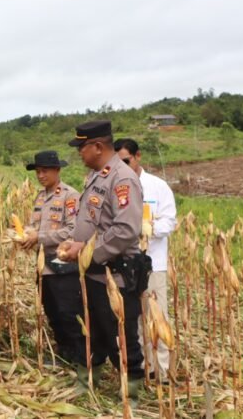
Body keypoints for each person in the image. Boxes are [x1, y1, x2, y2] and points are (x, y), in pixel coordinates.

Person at [58, 120, 149, 402]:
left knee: (120, 336)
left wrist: (86, 252)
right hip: (93, 273)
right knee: (93, 332)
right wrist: (76, 244)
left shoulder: (122, 179)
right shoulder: (97, 176)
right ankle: (89, 382)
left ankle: (131, 394)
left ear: (98, 147)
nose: (78, 154)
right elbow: (91, 222)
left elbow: (125, 230)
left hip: (116, 276)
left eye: (81, 148)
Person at [115, 138, 177, 378]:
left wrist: (146, 228)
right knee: (134, 320)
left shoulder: (157, 186)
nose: (123, 167)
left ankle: (162, 372)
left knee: (157, 316)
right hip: (125, 265)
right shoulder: (118, 188)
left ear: (137, 156)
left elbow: (169, 221)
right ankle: (143, 368)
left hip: (153, 264)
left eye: (126, 161)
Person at [19, 150, 84, 367]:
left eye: (45, 171)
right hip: (43, 265)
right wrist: (25, 234)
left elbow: (73, 230)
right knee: (52, 311)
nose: (40, 175)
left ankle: (80, 358)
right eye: (37, 171)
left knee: (68, 312)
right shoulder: (40, 197)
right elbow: (35, 226)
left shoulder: (70, 196)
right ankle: (64, 353)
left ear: (57, 170)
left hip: (63, 264)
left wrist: (40, 237)